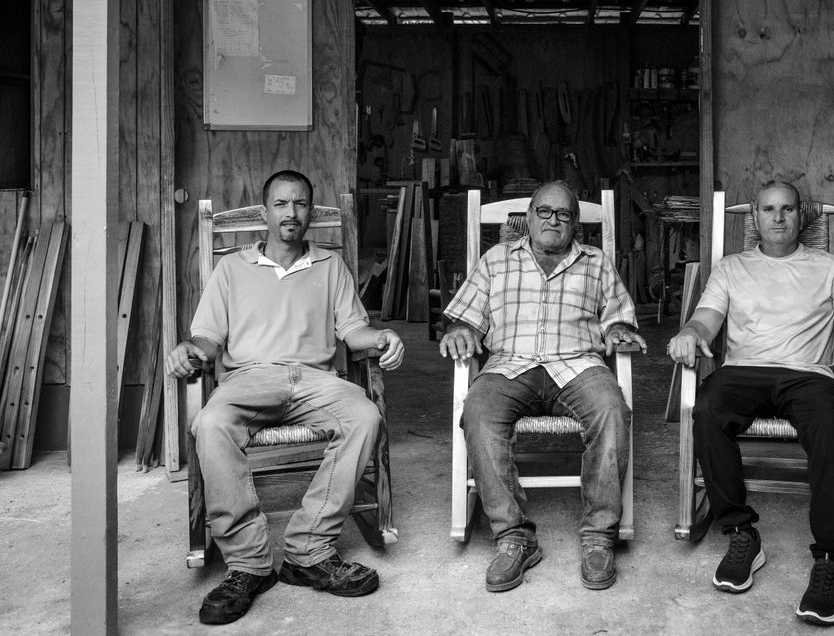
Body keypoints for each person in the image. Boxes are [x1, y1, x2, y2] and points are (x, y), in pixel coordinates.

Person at [165, 170, 405, 626]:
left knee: (364, 415)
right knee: (212, 424)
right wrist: (188, 349)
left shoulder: (330, 266)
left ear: (310, 213)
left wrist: (384, 336)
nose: (290, 213)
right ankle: (249, 563)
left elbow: (354, 334)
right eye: (281, 204)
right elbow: (207, 340)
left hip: (315, 378)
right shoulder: (231, 269)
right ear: (264, 212)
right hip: (249, 378)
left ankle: (308, 549)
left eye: (299, 205)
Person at [667, 181, 834, 627]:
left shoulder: (830, 267)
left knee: (828, 424)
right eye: (769, 209)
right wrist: (691, 333)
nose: (779, 217)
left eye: (787, 209)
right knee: (706, 409)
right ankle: (742, 532)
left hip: (809, 375)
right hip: (744, 371)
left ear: (801, 216)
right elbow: (706, 319)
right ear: (756, 218)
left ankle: (827, 558)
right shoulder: (731, 268)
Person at [439, 181, 646, 592]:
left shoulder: (597, 262)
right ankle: (514, 536)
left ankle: (599, 535)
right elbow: (464, 316)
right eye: (544, 212)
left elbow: (618, 315)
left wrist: (620, 329)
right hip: (509, 366)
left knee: (612, 409)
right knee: (477, 412)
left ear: (575, 224)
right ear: (528, 218)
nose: (553, 220)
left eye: (564, 214)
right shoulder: (496, 259)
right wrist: (460, 330)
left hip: (578, 365)